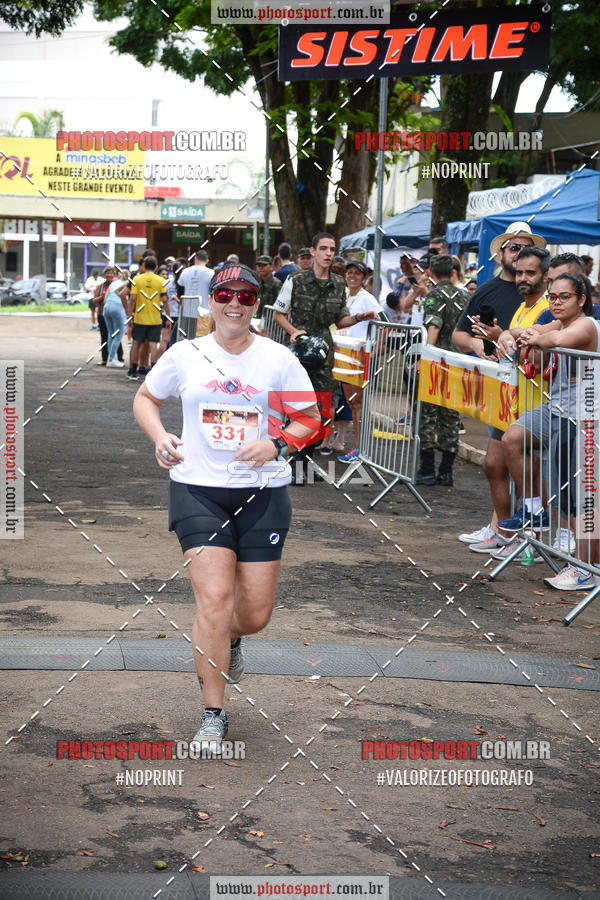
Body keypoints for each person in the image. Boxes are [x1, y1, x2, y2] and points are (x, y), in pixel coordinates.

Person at [133, 263, 321, 748]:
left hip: (263, 493)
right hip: (198, 487)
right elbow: (145, 398)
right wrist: (160, 436)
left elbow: (310, 419)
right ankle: (212, 714)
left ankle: (229, 639)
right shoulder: (185, 354)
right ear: (210, 301)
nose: (234, 303)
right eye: (225, 294)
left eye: (245, 295)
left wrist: (276, 444)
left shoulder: (278, 359)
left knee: (254, 614)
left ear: (256, 303)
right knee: (214, 600)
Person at [501, 274, 600, 591]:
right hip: (559, 410)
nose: (555, 302)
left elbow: (553, 340)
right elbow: (525, 332)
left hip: (585, 418)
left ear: (581, 299)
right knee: (514, 439)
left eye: (563, 297)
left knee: (581, 496)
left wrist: (535, 337)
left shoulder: (586, 325)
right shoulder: (560, 322)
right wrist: (513, 334)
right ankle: (534, 510)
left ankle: (587, 566)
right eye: (552, 297)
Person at [452, 222, 546, 551]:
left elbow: (539, 336)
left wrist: (503, 337)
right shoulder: (489, 291)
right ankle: (503, 529)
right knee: (495, 464)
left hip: (535, 395)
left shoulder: (541, 298)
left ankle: (526, 536)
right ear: (502, 253)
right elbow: (460, 334)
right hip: (502, 391)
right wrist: (482, 348)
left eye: (525, 249)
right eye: (513, 247)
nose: (519, 257)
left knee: (528, 465)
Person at [272, 233, 378, 482]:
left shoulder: (339, 283)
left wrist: (359, 317)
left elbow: (340, 320)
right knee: (296, 407)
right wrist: (293, 331)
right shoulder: (296, 279)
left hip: (324, 353)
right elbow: (278, 313)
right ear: (313, 251)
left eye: (332, 249)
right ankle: (293, 462)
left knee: (322, 410)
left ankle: (305, 461)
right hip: (299, 351)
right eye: (324, 248)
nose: (329, 253)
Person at [415, 255, 469, 486]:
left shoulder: (433, 296)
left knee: (428, 415)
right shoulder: (466, 295)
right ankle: (446, 471)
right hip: (458, 361)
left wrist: (423, 357)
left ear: (431, 274)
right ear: (453, 272)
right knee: (451, 416)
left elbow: (433, 327)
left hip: (437, 362)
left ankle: (427, 470)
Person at [333, 260, 383, 462]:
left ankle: (363, 451)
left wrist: (376, 349)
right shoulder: (345, 295)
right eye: (349, 272)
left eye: (357, 273)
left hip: (359, 357)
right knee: (353, 404)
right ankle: (361, 450)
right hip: (345, 355)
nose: (352, 276)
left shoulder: (367, 298)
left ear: (364, 278)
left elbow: (385, 323)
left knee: (358, 405)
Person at [126, 256, 169, 380]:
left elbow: (132, 299)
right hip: (155, 318)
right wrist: (168, 317)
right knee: (153, 344)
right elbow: (165, 300)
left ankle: (133, 370)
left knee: (136, 343)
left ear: (144, 267)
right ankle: (153, 370)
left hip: (139, 318)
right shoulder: (161, 281)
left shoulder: (137, 279)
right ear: (156, 267)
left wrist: (130, 315)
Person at [102, 268, 128, 368]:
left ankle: (110, 358)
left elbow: (105, 298)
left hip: (107, 307)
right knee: (118, 335)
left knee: (111, 335)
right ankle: (111, 359)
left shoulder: (113, 283)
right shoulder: (127, 284)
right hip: (118, 307)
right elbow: (126, 299)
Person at [255, 255, 280, 320]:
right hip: (259, 320)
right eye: (259, 265)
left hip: (272, 322)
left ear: (271, 267)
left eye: (264, 265)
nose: (261, 268)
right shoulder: (259, 284)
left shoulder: (277, 284)